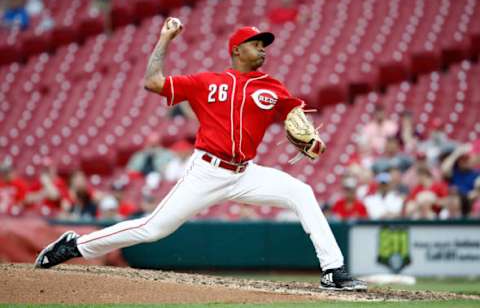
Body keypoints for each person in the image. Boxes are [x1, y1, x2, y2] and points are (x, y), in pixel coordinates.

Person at [34, 19, 366, 290]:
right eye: (256, 43)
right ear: (237, 50)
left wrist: (308, 137)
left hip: (246, 173)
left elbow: (297, 116)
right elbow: (152, 82)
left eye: (264, 43)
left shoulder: (273, 86)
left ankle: (332, 270)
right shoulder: (206, 82)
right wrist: (165, 39)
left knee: (302, 192)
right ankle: (75, 245)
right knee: (153, 229)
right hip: (206, 172)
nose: (263, 48)